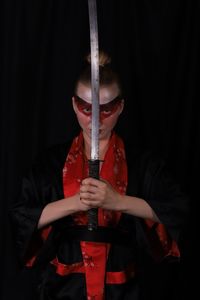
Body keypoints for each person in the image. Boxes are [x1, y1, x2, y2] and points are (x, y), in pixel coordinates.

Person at [10, 51, 188, 300]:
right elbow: (21, 218)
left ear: (121, 106)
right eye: (86, 108)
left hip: (123, 287)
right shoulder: (49, 162)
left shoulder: (143, 163)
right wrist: (75, 203)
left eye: (107, 109)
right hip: (62, 288)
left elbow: (177, 211)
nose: (95, 119)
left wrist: (119, 201)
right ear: (73, 104)